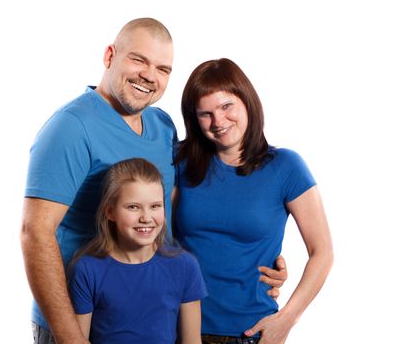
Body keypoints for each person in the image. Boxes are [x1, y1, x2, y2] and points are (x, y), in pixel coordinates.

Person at [20, 18, 286, 344]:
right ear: (109, 56)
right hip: (80, 320)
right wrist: (71, 338)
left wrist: (253, 264)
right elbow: (35, 233)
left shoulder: (162, 126)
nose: (150, 75)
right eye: (139, 60)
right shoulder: (71, 127)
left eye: (163, 69)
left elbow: (172, 217)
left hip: (154, 318)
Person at [173, 58, 333, 344]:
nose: (218, 122)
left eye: (226, 106)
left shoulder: (286, 166)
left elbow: (322, 252)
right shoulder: (179, 162)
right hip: (178, 329)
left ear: (247, 101)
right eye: (205, 113)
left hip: (250, 333)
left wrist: (286, 320)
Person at [68, 158, 206, 344]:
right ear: (110, 212)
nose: (146, 218)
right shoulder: (86, 270)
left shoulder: (185, 266)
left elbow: (191, 341)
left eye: (155, 206)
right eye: (133, 207)